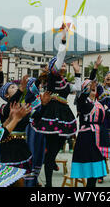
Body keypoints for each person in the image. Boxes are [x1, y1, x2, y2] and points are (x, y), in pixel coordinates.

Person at [31, 27, 80, 187]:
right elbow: (60, 55)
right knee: (51, 153)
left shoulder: (65, 83)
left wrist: (78, 72)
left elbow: (78, 88)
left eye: (64, 64)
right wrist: (64, 38)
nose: (63, 64)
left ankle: (48, 162)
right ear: (54, 67)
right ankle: (49, 184)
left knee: (53, 151)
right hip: (52, 115)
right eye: (61, 64)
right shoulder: (52, 76)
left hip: (64, 117)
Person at [71, 79, 110, 187]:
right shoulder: (82, 102)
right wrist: (94, 70)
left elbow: (109, 112)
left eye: (94, 85)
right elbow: (82, 96)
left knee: (94, 172)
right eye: (88, 85)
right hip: (87, 138)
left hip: (98, 138)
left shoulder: (99, 104)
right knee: (89, 171)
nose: (93, 86)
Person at [89, 55, 110, 183]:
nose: (108, 76)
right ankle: (101, 174)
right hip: (102, 121)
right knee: (102, 149)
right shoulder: (100, 88)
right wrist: (95, 67)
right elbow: (91, 79)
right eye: (107, 75)